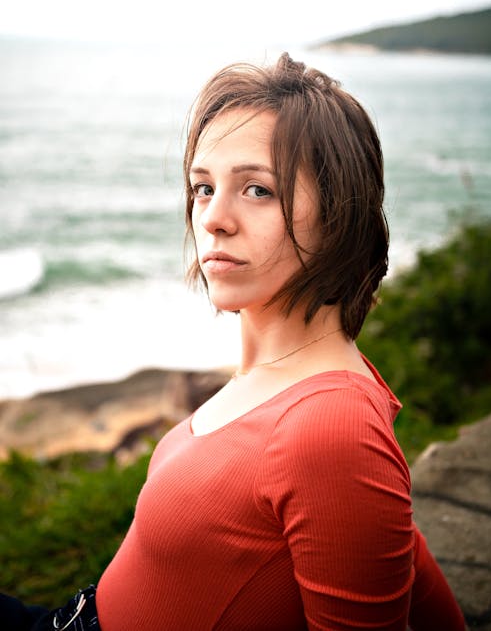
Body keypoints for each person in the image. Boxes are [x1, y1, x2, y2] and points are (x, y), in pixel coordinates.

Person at [1, 53, 465, 630]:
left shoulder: (330, 424)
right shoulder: (286, 377)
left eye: (257, 190)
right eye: (202, 187)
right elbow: (407, 553)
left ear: (338, 214)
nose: (213, 218)